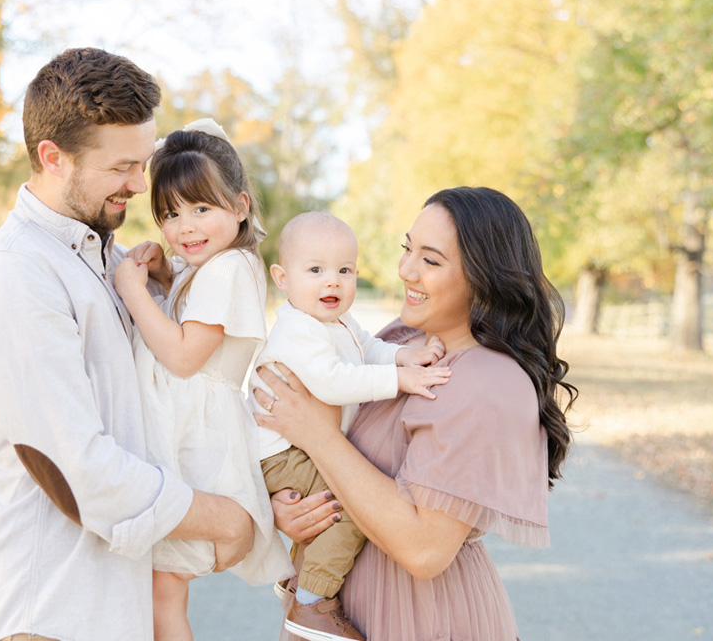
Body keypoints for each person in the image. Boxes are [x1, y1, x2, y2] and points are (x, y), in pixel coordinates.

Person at [0, 49, 256, 641]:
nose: (140, 186)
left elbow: (166, 413)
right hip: (42, 618)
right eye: (122, 168)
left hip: (108, 614)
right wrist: (227, 518)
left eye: (143, 163)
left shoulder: (108, 262)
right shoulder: (16, 278)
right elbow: (77, 468)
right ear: (52, 157)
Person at [255, 186, 577, 640]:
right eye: (408, 249)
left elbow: (425, 549)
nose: (406, 269)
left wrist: (317, 436)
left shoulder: (487, 382)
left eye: (430, 259)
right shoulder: (400, 339)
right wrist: (291, 508)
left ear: (482, 277)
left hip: (417, 618)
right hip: (338, 609)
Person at [113, 118, 293, 641]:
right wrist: (168, 277)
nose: (184, 227)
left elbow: (186, 355)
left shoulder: (227, 270)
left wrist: (133, 290)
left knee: (164, 592)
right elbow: (194, 316)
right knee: (161, 590)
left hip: (193, 440)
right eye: (170, 213)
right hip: (188, 429)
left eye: (201, 208)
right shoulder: (219, 264)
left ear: (240, 206)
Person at [249, 212, 452, 641]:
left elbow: (369, 348)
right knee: (351, 507)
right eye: (316, 270)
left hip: (299, 447)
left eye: (344, 271)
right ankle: (310, 603)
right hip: (282, 453)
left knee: (340, 504)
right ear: (282, 277)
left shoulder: (336, 322)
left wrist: (402, 357)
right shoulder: (297, 330)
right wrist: (399, 381)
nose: (332, 283)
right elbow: (335, 381)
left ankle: (301, 584)